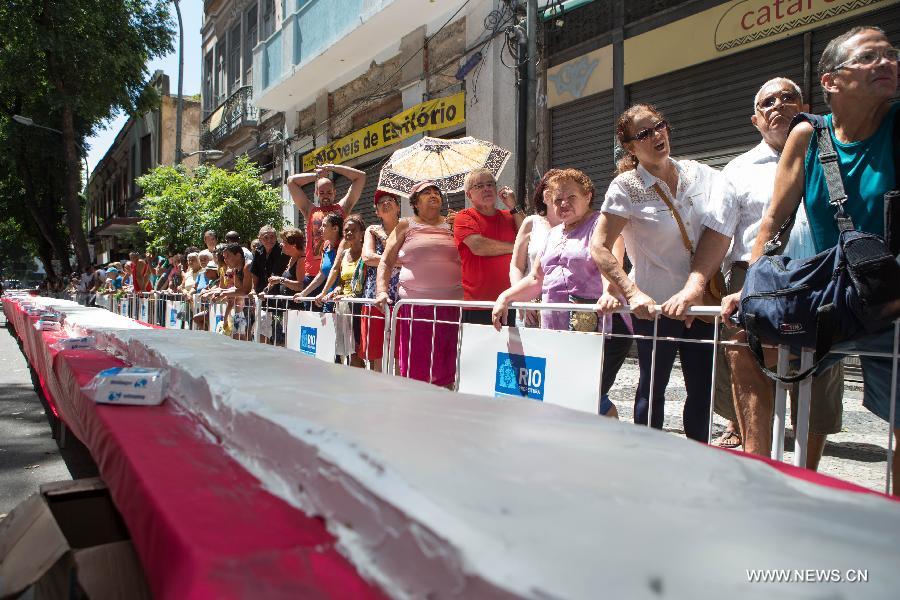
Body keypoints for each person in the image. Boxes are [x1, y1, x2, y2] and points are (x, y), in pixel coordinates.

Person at [725, 27, 899, 491]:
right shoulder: (807, 136)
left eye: (890, 55)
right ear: (831, 82)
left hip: (892, 299)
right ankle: (759, 480)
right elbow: (770, 224)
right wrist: (750, 290)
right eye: (869, 57)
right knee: (748, 336)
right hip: (836, 295)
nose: (886, 63)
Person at [678, 77, 845, 465]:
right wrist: (697, 285)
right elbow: (718, 234)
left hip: (823, 278)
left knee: (820, 379)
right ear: (755, 119)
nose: (778, 106)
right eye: (767, 101)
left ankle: (808, 474)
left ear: (804, 106)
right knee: (750, 370)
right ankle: (757, 469)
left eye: (789, 97)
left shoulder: (835, 150)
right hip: (755, 280)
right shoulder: (736, 170)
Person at [590, 104, 735, 442]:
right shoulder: (626, 187)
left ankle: (695, 459)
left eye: (659, 126)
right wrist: (630, 292)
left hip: (699, 303)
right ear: (630, 146)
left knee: (702, 391)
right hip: (654, 307)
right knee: (653, 387)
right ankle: (647, 461)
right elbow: (599, 246)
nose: (657, 135)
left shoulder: (699, 174)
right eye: (645, 133)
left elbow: (723, 221)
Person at [492, 169, 632, 417]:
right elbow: (536, 279)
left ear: (588, 196)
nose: (564, 204)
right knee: (571, 394)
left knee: (588, 394)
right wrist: (506, 297)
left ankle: (609, 446)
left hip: (600, 328)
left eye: (571, 197)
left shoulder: (602, 224)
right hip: (559, 330)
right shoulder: (554, 233)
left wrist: (610, 291)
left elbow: (612, 262)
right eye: (558, 200)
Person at [375, 181, 463, 388]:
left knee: (449, 368)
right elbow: (386, 262)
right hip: (415, 309)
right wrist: (381, 291)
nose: (433, 195)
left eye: (436, 192)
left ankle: (444, 412)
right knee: (416, 369)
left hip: (451, 308)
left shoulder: (454, 223)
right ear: (415, 202)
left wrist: (462, 225)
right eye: (426, 193)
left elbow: (473, 253)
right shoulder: (405, 225)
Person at [286, 163, 366, 301]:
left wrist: (333, 168)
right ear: (316, 193)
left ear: (335, 192)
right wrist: (317, 175)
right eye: (321, 192)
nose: (325, 196)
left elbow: (360, 177)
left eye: (329, 192)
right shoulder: (310, 210)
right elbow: (291, 181)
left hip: (336, 275)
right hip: (312, 275)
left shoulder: (342, 209)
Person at [453, 168, 523, 324]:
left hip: (509, 302)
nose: (487, 188)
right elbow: (479, 246)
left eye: (490, 184)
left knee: (508, 349)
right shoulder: (464, 216)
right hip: (478, 305)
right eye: (479, 186)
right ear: (468, 194)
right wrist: (517, 247)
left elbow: (530, 235)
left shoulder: (508, 215)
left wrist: (514, 206)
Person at [508, 169, 563, 327]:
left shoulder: (576, 225)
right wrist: (520, 298)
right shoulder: (532, 222)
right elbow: (516, 266)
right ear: (544, 195)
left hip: (563, 308)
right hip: (530, 308)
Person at [316, 215, 367, 367]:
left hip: (360, 309)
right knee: (348, 353)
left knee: (359, 353)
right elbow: (341, 282)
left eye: (353, 230)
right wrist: (336, 290)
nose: (349, 233)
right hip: (344, 309)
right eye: (346, 230)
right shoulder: (344, 254)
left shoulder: (367, 253)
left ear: (362, 233)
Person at [359, 190, 402, 371]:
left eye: (390, 200)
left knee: (400, 353)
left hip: (402, 299)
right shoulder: (371, 230)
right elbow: (368, 257)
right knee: (377, 354)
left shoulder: (407, 229)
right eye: (381, 202)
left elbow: (410, 259)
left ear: (398, 207)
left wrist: (384, 240)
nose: (386, 203)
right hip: (375, 298)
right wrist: (395, 259)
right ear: (376, 211)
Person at [294, 213, 344, 312]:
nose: (320, 229)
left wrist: (324, 292)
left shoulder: (345, 244)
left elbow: (337, 271)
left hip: (341, 300)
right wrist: (303, 293)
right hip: (328, 299)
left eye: (324, 225)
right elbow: (321, 274)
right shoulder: (325, 246)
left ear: (335, 228)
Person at [250, 225, 289, 294]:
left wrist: (266, 291)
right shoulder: (258, 252)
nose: (269, 240)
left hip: (277, 294)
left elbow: (276, 273)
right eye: (266, 238)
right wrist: (253, 289)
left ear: (276, 237)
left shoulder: (283, 251)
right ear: (260, 239)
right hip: (261, 292)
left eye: (272, 237)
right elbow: (255, 272)